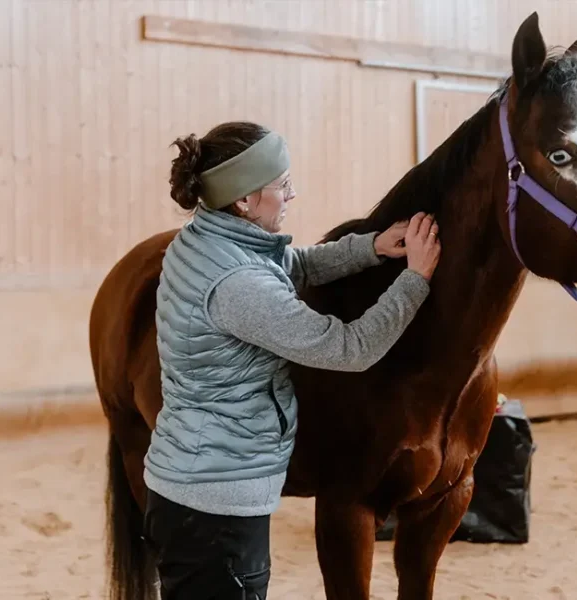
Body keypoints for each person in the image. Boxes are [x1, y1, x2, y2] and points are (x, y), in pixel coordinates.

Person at [142, 121, 441, 599]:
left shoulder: (205, 241)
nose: (292, 193)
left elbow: (287, 267)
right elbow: (349, 348)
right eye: (281, 185)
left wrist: (369, 247)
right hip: (217, 507)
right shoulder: (238, 285)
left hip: (190, 486)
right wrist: (415, 280)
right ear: (244, 200)